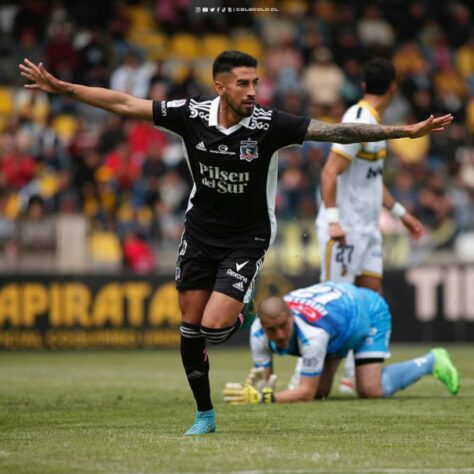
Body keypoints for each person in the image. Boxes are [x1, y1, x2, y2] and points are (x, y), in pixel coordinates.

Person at [19, 50, 453, 435]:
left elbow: (337, 132)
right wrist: (64, 89)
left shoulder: (269, 124)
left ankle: (241, 303)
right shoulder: (190, 114)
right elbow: (125, 103)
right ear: (220, 86)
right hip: (200, 233)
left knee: (214, 326)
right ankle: (205, 413)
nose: (252, 91)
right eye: (243, 83)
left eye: (255, 82)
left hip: (249, 237)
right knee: (189, 327)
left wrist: (404, 132)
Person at [293, 58, 427, 394]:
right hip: (344, 229)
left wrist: (400, 212)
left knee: (371, 298)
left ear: (366, 85)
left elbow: (371, 181)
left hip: (367, 230)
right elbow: (329, 172)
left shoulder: (375, 125)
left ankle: (355, 374)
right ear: (393, 89)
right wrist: (335, 221)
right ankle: (303, 378)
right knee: (333, 304)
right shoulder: (357, 119)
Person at [223, 282, 460, 404]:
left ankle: (431, 360)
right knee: (322, 393)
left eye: (284, 326)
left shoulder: (312, 336)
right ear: (262, 327)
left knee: (370, 390)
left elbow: (304, 392)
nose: (281, 335)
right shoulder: (257, 332)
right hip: (337, 320)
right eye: (272, 330)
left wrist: (262, 399)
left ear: (292, 317)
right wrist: (262, 390)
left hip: (368, 310)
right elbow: (268, 383)